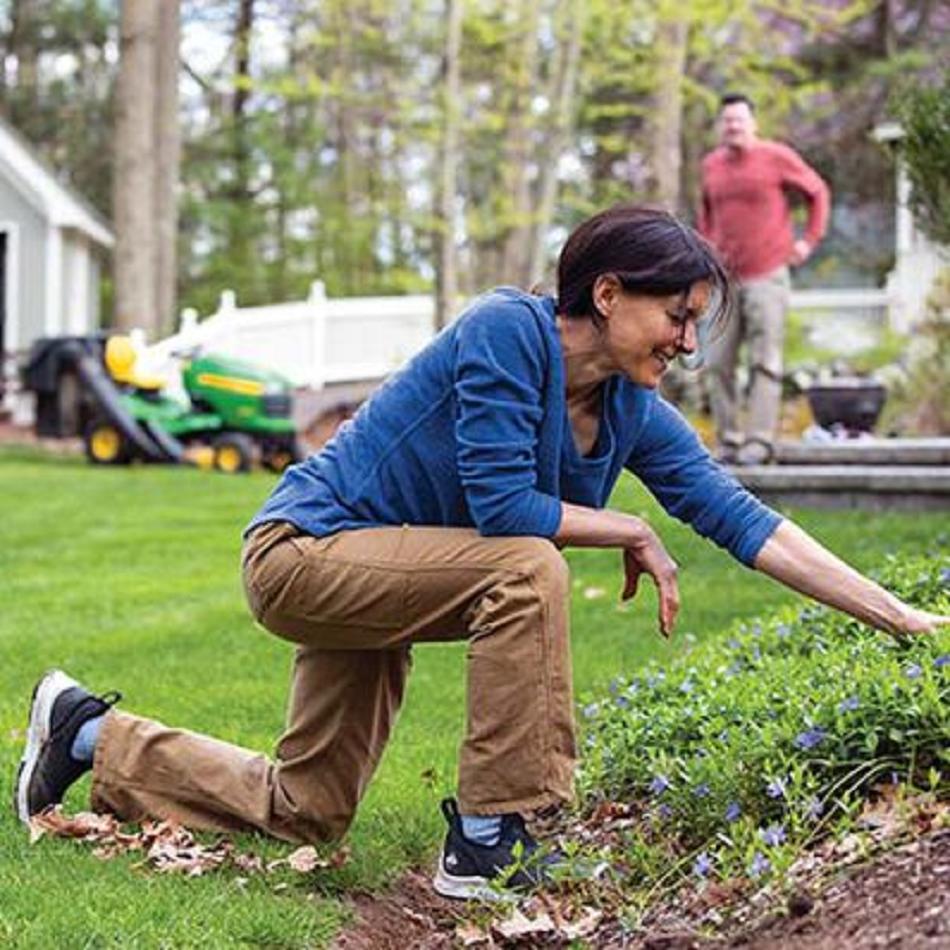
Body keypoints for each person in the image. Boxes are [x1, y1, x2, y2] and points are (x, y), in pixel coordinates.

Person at [16, 206, 946, 902]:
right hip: (306, 552)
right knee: (527, 564)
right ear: (609, 292)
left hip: (389, 574)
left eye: (699, 322)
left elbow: (747, 524)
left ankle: (87, 733)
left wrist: (898, 616)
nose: (689, 341)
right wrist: (627, 528)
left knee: (306, 809)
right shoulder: (509, 332)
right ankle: (497, 833)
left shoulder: (631, 412)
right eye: (677, 314)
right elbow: (505, 509)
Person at [698, 92, 831, 464]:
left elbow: (817, 192)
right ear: (720, 126)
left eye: (740, 119)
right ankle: (728, 442)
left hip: (767, 275)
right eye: (727, 120)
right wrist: (706, 253)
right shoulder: (711, 165)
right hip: (724, 280)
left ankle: (759, 443)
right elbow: (707, 215)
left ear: (753, 124)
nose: (734, 125)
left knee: (765, 362)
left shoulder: (777, 157)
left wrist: (809, 240)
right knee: (718, 362)